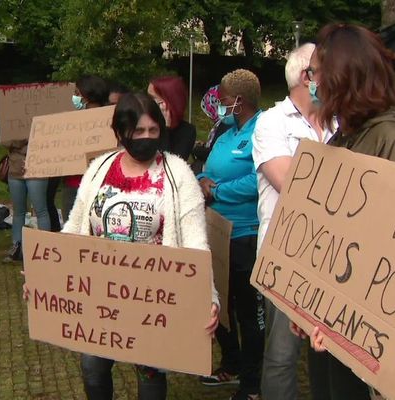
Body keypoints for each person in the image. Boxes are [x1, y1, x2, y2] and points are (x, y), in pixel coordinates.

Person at [293, 23, 395, 400]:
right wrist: (307, 303)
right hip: (335, 330)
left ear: (340, 76)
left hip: (372, 341)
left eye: (315, 73)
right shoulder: (346, 136)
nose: (312, 82)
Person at [56, 92, 219, 399]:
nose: (146, 138)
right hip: (99, 294)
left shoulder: (178, 174)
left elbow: (196, 243)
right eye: (138, 131)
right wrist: (47, 274)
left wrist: (207, 298)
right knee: (92, 366)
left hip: (153, 300)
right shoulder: (98, 169)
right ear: (120, 132)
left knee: (150, 373)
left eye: (153, 131)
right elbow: (74, 226)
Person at [252, 43, 335, 400]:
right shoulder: (271, 122)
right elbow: (288, 182)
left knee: (331, 353)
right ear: (308, 76)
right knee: (282, 356)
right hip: (285, 258)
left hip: (334, 258)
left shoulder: (340, 121)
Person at [197, 69, 264, 400]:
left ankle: (252, 384)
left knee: (248, 312)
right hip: (216, 229)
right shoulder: (226, 132)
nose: (217, 104)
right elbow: (207, 170)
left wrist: (217, 190)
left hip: (246, 233)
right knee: (220, 303)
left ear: (239, 101)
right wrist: (201, 181)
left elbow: (258, 180)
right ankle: (232, 363)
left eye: (222, 99)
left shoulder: (262, 131)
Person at [61, 74, 109, 222]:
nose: (74, 97)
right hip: (75, 185)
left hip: (98, 187)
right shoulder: (68, 122)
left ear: (86, 96)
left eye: (76, 93)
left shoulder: (110, 119)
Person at [1, 138, 51, 262]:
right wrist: (24, 140)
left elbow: (46, 140)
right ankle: (17, 248)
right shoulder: (10, 121)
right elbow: (3, 141)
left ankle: (46, 249)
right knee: (18, 211)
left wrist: (19, 143)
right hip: (15, 169)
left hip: (37, 167)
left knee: (41, 210)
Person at [148, 76, 196, 161]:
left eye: (152, 98)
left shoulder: (187, 131)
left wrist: (166, 128)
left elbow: (171, 163)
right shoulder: (146, 124)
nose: (147, 101)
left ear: (166, 102)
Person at [191, 84, 230, 175]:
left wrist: (195, 148)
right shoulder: (224, 123)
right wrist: (204, 145)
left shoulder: (224, 125)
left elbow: (213, 154)